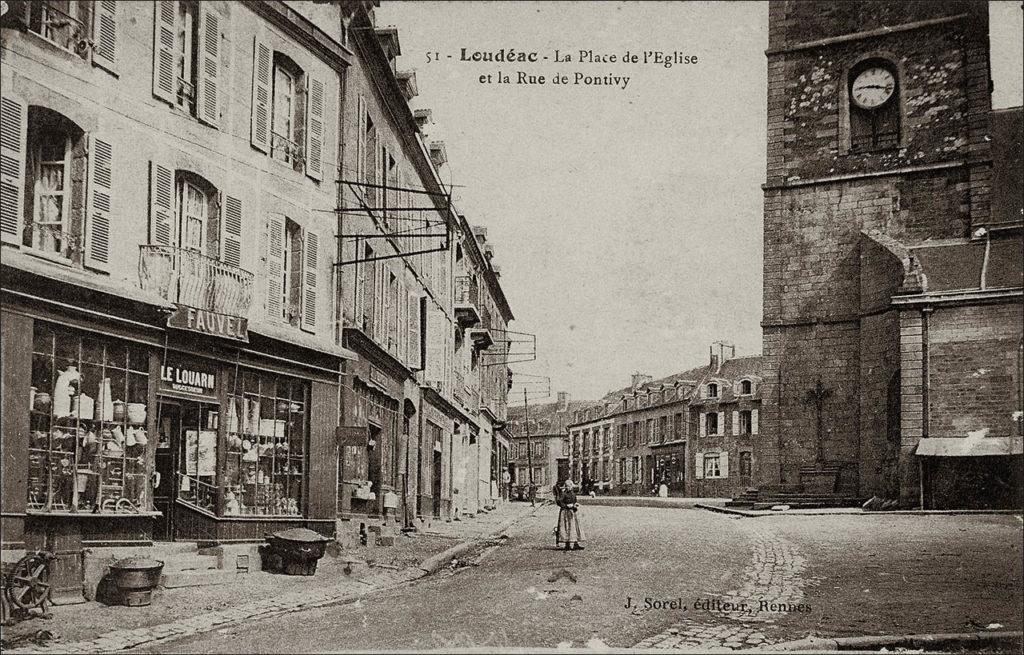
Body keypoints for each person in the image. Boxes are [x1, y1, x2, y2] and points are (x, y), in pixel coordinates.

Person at [555, 479, 585, 551]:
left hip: (573, 512)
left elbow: (574, 500)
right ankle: (567, 544)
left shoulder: (572, 493)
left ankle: (575, 544)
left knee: (574, 527)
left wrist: (575, 504)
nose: (569, 487)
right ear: (566, 486)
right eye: (568, 486)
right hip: (565, 513)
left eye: (570, 486)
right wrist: (566, 505)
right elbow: (559, 501)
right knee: (566, 527)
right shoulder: (563, 493)